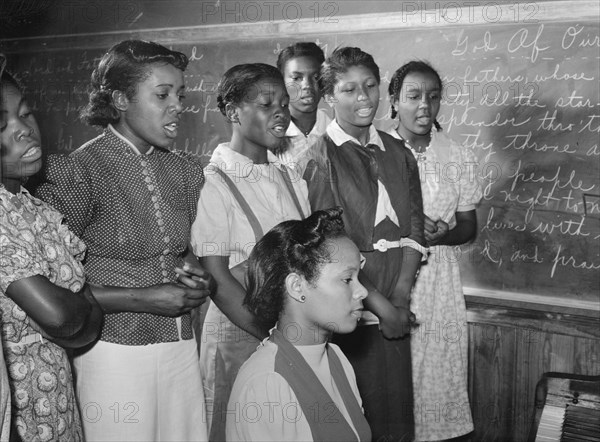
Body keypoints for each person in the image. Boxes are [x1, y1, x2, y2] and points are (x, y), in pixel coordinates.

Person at [35, 40, 211, 441]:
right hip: (111, 351)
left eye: (179, 95)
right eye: (162, 95)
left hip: (181, 347)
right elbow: (53, 288)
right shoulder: (78, 172)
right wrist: (145, 297)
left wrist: (196, 273)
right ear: (120, 99)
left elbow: (186, 253)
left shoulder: (185, 171)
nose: (178, 106)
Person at [301, 46, 427, 441]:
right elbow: (330, 246)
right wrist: (379, 306)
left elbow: (415, 226)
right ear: (329, 98)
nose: (363, 98)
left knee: (396, 419)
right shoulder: (320, 158)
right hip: (351, 310)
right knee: (359, 415)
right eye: (349, 90)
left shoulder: (399, 152)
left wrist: (400, 299)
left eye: (370, 86)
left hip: (396, 304)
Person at [191, 63, 311, 441]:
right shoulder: (213, 182)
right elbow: (217, 279)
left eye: (284, 103)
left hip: (292, 330)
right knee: (237, 427)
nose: (280, 112)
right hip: (240, 330)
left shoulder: (291, 179)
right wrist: (272, 334)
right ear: (232, 111)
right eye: (265, 103)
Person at [1, 70, 103, 441]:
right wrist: (76, 311)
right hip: (19, 417)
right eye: (1, 124)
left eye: (26, 113)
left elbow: (83, 325)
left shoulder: (35, 208)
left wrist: (76, 314)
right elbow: (64, 317)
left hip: (59, 405)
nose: (23, 129)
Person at [387, 60, 482, 441]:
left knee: (437, 381)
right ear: (394, 101)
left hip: (438, 283)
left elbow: (469, 227)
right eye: (413, 96)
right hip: (390, 276)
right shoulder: (376, 151)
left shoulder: (456, 156)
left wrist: (442, 234)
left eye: (433, 96)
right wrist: (405, 229)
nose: (424, 105)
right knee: (392, 379)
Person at [226, 208, 371, 442]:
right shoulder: (267, 383)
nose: (362, 291)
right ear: (296, 287)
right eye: (347, 279)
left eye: (358, 278)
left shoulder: (336, 358)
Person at [276, 42, 331, 172]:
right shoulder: (268, 136)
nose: (307, 85)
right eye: (296, 78)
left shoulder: (336, 133)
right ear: (281, 82)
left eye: (316, 77)